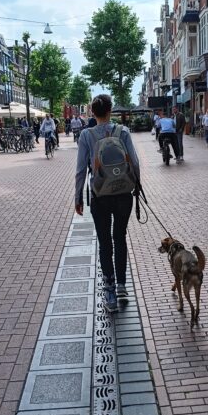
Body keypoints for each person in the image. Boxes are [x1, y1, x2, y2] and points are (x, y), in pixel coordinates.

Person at [75, 94, 140, 312]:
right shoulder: (123, 132)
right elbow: (135, 162)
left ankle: (110, 290)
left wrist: (78, 197)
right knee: (120, 237)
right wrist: (137, 185)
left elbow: (80, 170)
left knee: (105, 243)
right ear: (110, 111)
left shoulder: (86, 135)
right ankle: (122, 285)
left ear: (93, 113)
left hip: (99, 194)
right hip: (123, 193)